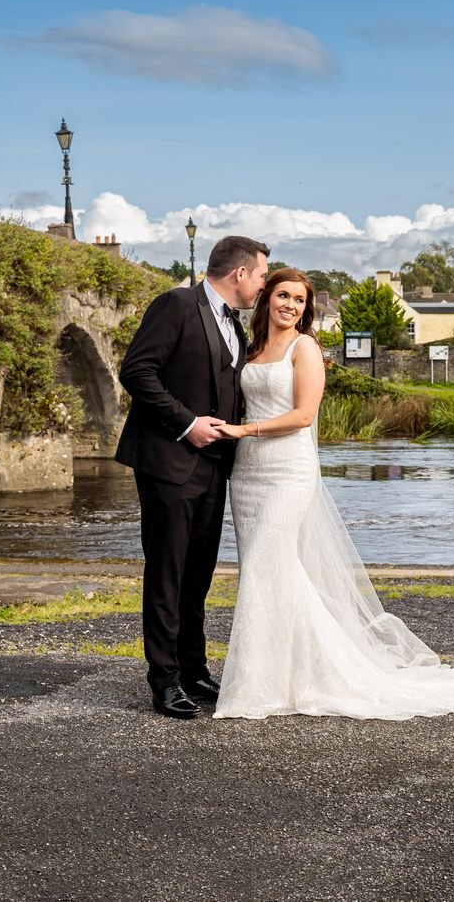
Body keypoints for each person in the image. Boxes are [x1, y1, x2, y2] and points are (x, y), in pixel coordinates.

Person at [212, 268, 454, 720]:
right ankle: (279, 676)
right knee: (266, 573)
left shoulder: (305, 348)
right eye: (283, 295)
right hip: (248, 476)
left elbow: (304, 416)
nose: (290, 306)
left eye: (299, 301)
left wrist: (245, 430)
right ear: (266, 298)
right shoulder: (252, 349)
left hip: (288, 471)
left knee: (269, 562)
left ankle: (268, 684)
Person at [115, 235, 269, 719]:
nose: (263, 285)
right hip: (168, 461)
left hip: (214, 467)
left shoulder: (236, 329)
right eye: (263, 275)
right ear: (240, 273)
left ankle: (192, 668)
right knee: (168, 572)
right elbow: (137, 372)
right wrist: (187, 423)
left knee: (198, 573)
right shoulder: (177, 303)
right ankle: (163, 682)